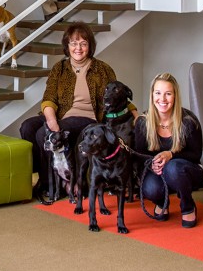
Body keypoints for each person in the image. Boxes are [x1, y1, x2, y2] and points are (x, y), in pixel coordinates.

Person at [19, 22, 136, 202]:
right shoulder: (60, 68)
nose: (78, 48)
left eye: (83, 43)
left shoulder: (102, 69)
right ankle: (48, 175)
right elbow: (49, 98)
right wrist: (52, 121)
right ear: (67, 46)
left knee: (43, 134)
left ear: (90, 46)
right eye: (73, 43)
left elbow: (116, 96)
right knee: (27, 127)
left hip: (88, 119)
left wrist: (135, 113)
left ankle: (48, 184)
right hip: (61, 115)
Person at [134, 73, 203, 228]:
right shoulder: (142, 122)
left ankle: (187, 205)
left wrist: (171, 155)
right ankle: (161, 202)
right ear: (152, 95)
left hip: (187, 171)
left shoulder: (188, 121)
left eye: (168, 94)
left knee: (173, 167)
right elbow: (139, 156)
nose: (162, 99)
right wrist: (151, 164)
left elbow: (196, 155)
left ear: (175, 96)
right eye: (158, 93)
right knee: (150, 188)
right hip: (157, 172)